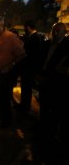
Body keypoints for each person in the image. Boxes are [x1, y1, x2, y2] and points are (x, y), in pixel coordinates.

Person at [0, 15, 25, 128]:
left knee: (4, 101)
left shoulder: (11, 37)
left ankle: (6, 124)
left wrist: (9, 65)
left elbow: (21, 55)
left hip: (3, 75)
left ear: (2, 25)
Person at [38, 22, 69, 165]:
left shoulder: (67, 46)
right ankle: (44, 132)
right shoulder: (46, 44)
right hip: (44, 81)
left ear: (65, 32)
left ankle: (53, 137)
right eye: (54, 31)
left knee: (57, 110)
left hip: (59, 84)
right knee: (44, 107)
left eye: (59, 31)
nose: (56, 34)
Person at [18, 20, 44, 113]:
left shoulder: (35, 37)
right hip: (27, 68)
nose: (24, 30)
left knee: (27, 89)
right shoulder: (32, 37)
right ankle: (23, 105)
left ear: (28, 27)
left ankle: (25, 108)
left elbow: (32, 54)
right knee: (25, 88)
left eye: (25, 27)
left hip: (29, 68)